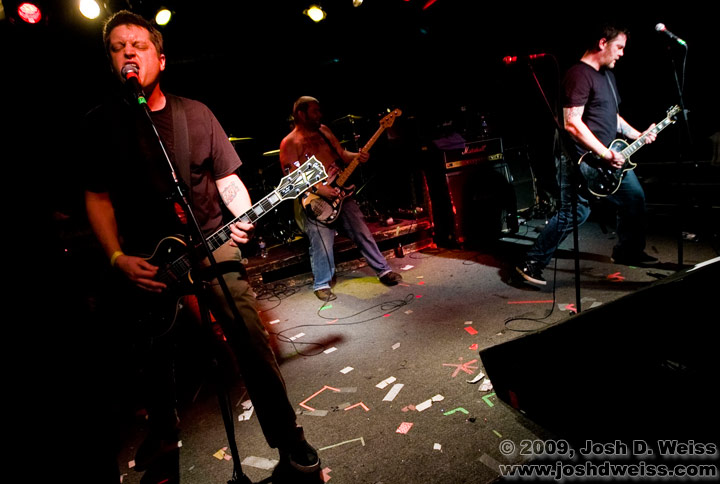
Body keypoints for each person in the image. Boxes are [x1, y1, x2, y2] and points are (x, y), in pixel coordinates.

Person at [82, 10, 319, 480]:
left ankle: (291, 442)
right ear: (110, 62)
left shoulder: (195, 114)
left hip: (211, 241)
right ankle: (161, 448)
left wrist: (242, 215)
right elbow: (98, 197)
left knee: (250, 338)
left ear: (160, 59)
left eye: (139, 45)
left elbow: (227, 179)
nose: (129, 52)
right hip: (146, 260)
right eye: (118, 47)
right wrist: (116, 257)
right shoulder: (100, 124)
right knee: (153, 362)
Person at [516, 24, 658, 285]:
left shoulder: (607, 76)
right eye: (619, 47)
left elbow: (612, 117)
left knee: (634, 198)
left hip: (609, 159)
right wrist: (604, 154)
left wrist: (638, 134)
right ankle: (531, 262)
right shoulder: (578, 75)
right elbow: (571, 123)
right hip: (581, 161)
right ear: (602, 43)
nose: (622, 53)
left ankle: (627, 251)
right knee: (574, 213)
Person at [279, 96, 402, 301]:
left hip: (341, 192)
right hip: (315, 200)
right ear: (301, 114)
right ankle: (321, 284)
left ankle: (383, 270)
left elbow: (342, 154)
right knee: (321, 243)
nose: (319, 114)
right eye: (315, 111)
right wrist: (320, 189)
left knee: (361, 230)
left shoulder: (324, 131)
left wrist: (358, 156)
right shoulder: (290, 142)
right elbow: (291, 178)